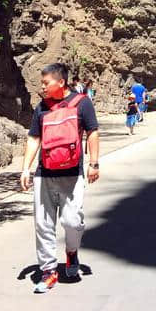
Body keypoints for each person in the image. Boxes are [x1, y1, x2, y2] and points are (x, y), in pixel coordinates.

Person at [20, 63, 99, 293]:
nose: (42, 87)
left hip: (72, 175)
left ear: (61, 82)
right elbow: (34, 138)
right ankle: (48, 271)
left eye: (46, 83)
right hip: (44, 174)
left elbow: (93, 132)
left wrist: (94, 163)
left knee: (72, 222)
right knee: (43, 225)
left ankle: (71, 252)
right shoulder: (41, 108)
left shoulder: (82, 103)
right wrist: (26, 168)